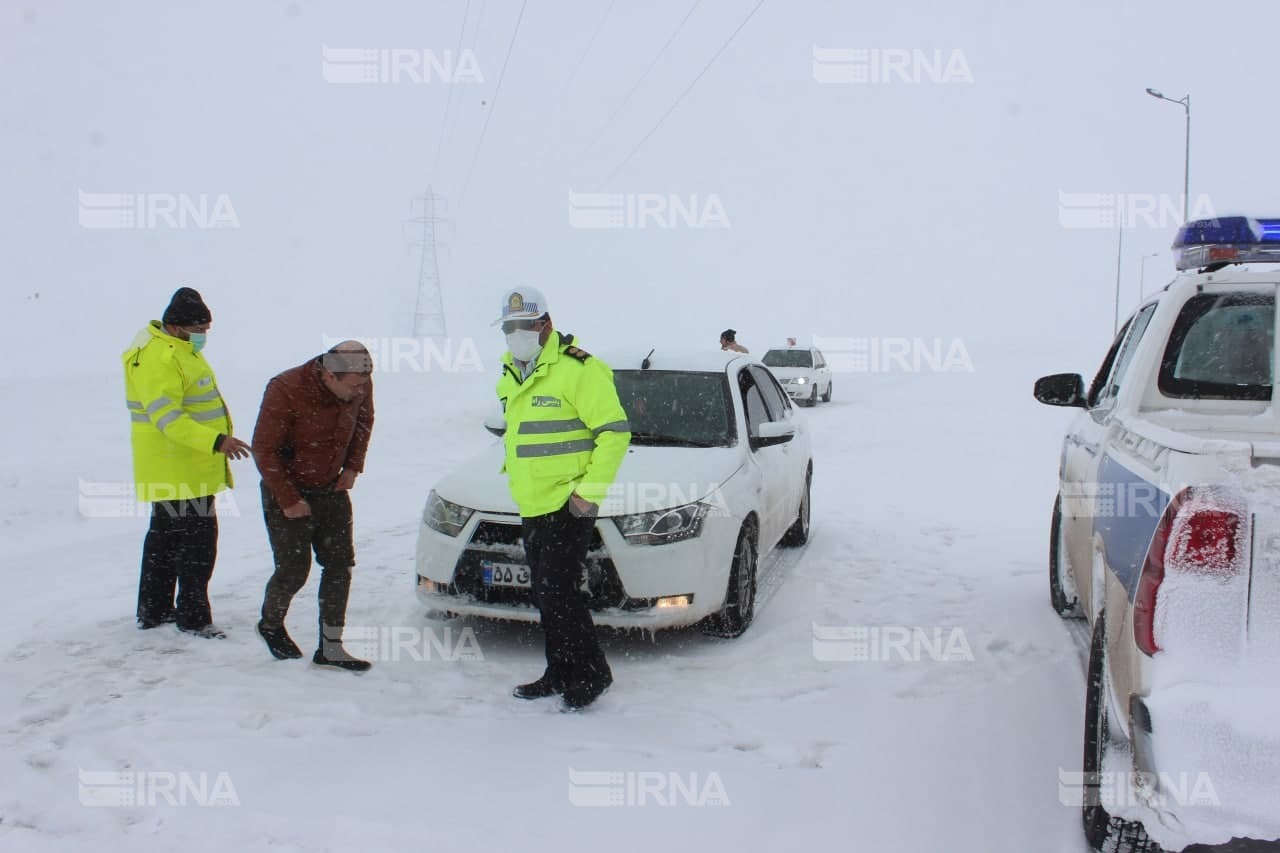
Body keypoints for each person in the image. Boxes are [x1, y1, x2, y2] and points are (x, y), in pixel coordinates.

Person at [494, 287, 631, 710]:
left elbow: (615, 434)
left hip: (567, 503)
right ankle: (559, 670)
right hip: (531, 502)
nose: (515, 334)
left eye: (524, 326)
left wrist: (586, 495)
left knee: (561, 593)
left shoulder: (580, 369)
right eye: (508, 327)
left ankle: (591, 676)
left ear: (545, 325)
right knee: (545, 593)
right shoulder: (511, 372)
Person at [123, 287, 252, 638]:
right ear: (176, 326)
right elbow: (168, 419)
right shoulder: (160, 358)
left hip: (176, 468)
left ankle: (154, 610)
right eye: (200, 330)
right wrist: (216, 440)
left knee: (164, 542)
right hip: (182, 470)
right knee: (197, 547)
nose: (203, 336)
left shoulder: (174, 350)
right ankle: (193, 618)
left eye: (207, 329)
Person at [252, 341, 376, 671]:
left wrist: (352, 466)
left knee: (340, 565)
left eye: (362, 385)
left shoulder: (359, 376)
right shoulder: (286, 388)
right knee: (294, 570)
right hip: (288, 488)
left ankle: (331, 647)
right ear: (327, 376)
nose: (358, 392)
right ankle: (270, 624)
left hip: (331, 487)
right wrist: (289, 499)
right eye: (352, 387)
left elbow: (364, 421)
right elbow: (264, 450)